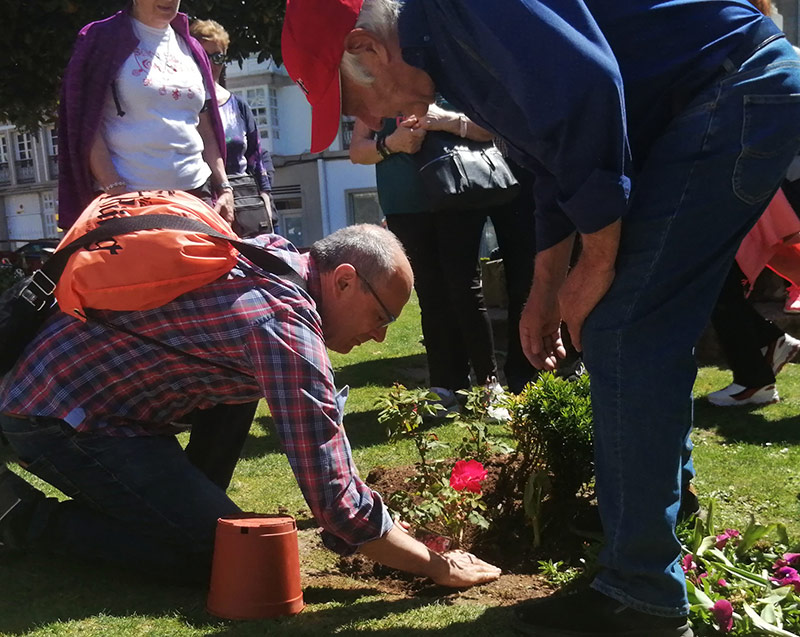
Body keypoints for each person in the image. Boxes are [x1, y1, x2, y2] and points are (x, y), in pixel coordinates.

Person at [281, 1, 800, 635]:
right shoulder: (452, 54)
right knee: (633, 328)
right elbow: (548, 159)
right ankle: (657, 551)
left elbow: (589, 89)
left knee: (623, 328)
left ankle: (642, 594)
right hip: (711, 97)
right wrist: (546, 288)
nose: (367, 122)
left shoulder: (465, 11)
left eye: (350, 103)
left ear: (366, 50)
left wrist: (597, 263)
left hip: (732, 86)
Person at [0, 220, 501, 588]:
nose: (379, 336)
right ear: (344, 280)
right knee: (223, 562)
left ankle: (174, 508)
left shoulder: (272, 255)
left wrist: (374, 527)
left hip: (100, 397)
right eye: (380, 315)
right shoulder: (281, 326)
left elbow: (325, 447)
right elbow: (332, 492)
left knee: (211, 514)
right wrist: (437, 564)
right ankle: (20, 517)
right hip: (61, 415)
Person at [350, 107, 523, 406]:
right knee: (430, 295)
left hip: (458, 193)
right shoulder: (380, 91)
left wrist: (448, 121)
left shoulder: (449, 77)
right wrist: (392, 143)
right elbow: (357, 151)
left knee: (465, 289)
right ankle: (445, 386)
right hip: (404, 204)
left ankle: (488, 385)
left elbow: (492, 129)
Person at [57, 0, 233, 230]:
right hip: (130, 202)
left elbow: (207, 129)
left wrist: (225, 188)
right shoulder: (100, 39)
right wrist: (115, 189)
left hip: (197, 197)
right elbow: (84, 124)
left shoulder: (192, 46)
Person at [709, 189, 800, 406]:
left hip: (738, 200)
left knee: (719, 292)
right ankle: (765, 352)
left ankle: (754, 380)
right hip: (736, 201)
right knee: (718, 292)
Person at [190, 19, 278, 238]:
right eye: (203, 56)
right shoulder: (183, 104)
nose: (211, 64)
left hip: (243, 202)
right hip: (199, 199)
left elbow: (256, 156)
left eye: (218, 57)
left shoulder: (238, 105)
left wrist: (265, 197)